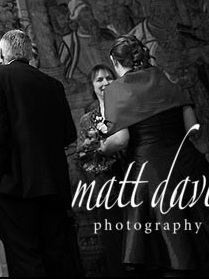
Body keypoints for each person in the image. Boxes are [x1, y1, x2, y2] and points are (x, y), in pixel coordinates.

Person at [100, 35, 209, 273]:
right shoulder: (164, 77)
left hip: (151, 173)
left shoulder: (115, 89)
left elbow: (121, 140)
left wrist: (101, 147)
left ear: (115, 61)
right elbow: (192, 127)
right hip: (188, 164)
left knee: (172, 247)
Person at [0, 29, 79, 276]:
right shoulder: (53, 85)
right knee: (57, 257)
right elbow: (69, 134)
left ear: (3, 53)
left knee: (25, 260)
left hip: (15, 186)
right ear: (28, 53)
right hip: (54, 185)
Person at [75, 64, 124, 275]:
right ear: (92, 86)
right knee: (115, 239)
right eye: (99, 80)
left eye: (108, 78)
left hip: (133, 177)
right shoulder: (88, 119)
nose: (105, 83)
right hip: (106, 185)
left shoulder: (126, 106)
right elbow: (81, 155)